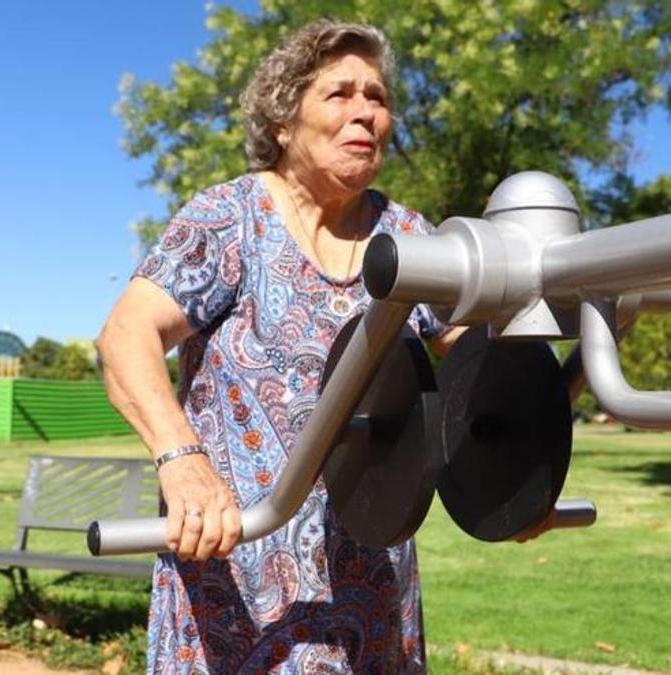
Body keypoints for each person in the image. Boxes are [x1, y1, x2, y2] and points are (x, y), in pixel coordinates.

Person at [98, 19, 463, 673]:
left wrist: (521, 470)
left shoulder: (408, 237)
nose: (365, 113)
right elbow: (126, 335)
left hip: (373, 593)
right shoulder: (230, 218)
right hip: (237, 590)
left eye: (377, 97)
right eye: (340, 94)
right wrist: (181, 458)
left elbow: (479, 363)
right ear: (283, 120)